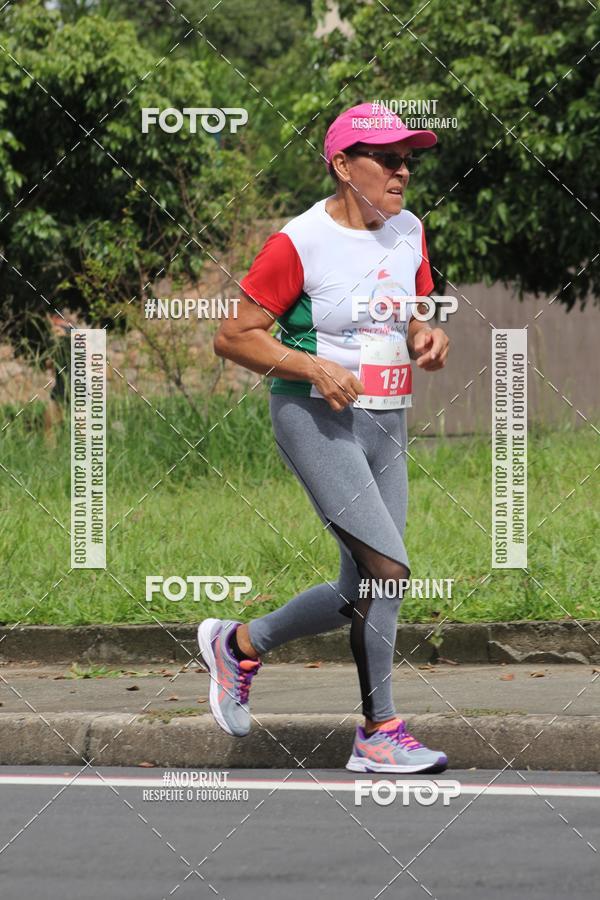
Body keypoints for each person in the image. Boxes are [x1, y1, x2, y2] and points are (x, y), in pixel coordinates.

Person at [198, 102, 450, 773]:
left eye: (407, 160)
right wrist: (312, 366)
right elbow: (234, 336)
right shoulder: (299, 242)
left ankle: (238, 645)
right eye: (387, 159)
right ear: (342, 164)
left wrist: (424, 336)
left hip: (387, 422)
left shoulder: (409, 231)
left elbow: (409, 314)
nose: (402, 171)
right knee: (388, 571)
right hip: (314, 418)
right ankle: (378, 732)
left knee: (358, 588)